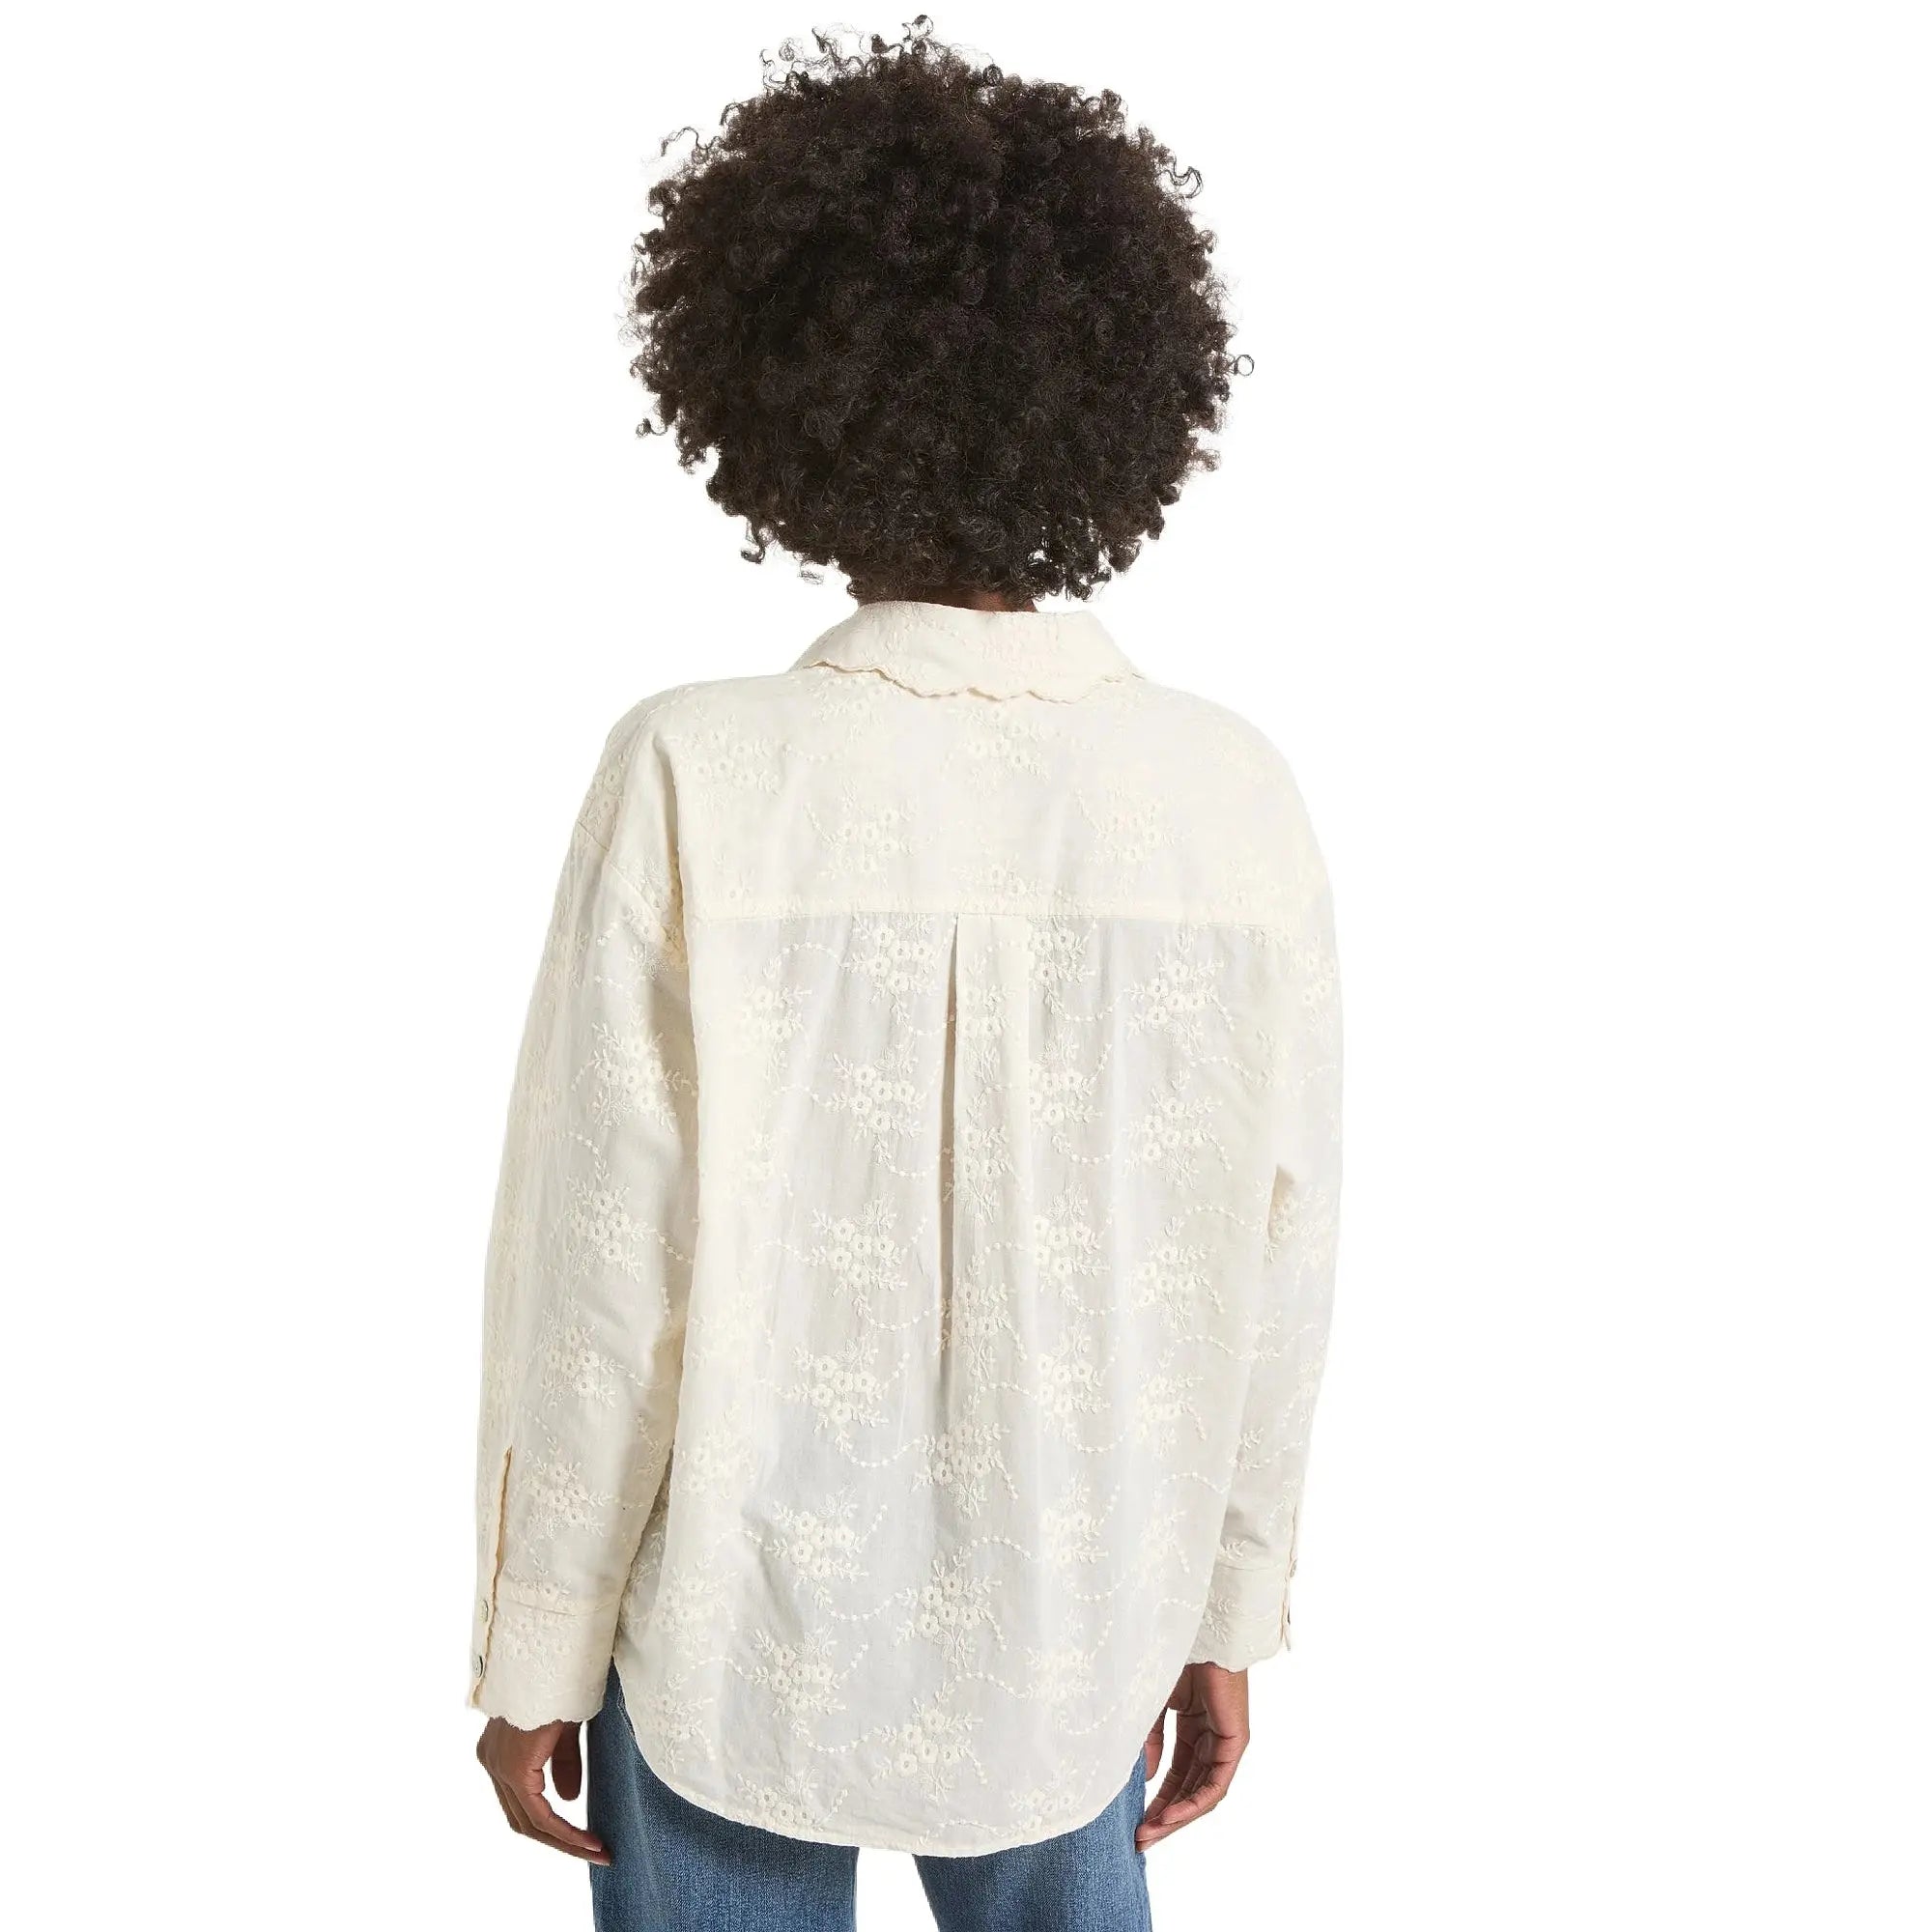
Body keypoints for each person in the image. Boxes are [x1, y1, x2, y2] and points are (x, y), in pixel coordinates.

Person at [469, 20, 1342, 1929]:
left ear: (778, 401)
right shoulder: (1229, 792)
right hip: (1081, 1614)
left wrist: (534, 1639)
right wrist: (1225, 1606)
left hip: (729, 1626)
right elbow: (1276, 1265)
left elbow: (607, 1258)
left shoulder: (700, 770)